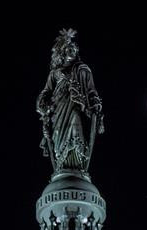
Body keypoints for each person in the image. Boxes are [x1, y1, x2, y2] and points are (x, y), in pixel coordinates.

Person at [37, 29, 104, 173]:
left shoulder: (83, 69)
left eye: (74, 49)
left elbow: (91, 89)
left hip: (78, 105)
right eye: (69, 48)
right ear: (62, 52)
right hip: (58, 108)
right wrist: (42, 103)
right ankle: (62, 166)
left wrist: (95, 102)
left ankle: (78, 162)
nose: (72, 51)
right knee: (58, 137)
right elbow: (47, 91)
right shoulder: (54, 73)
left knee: (76, 121)